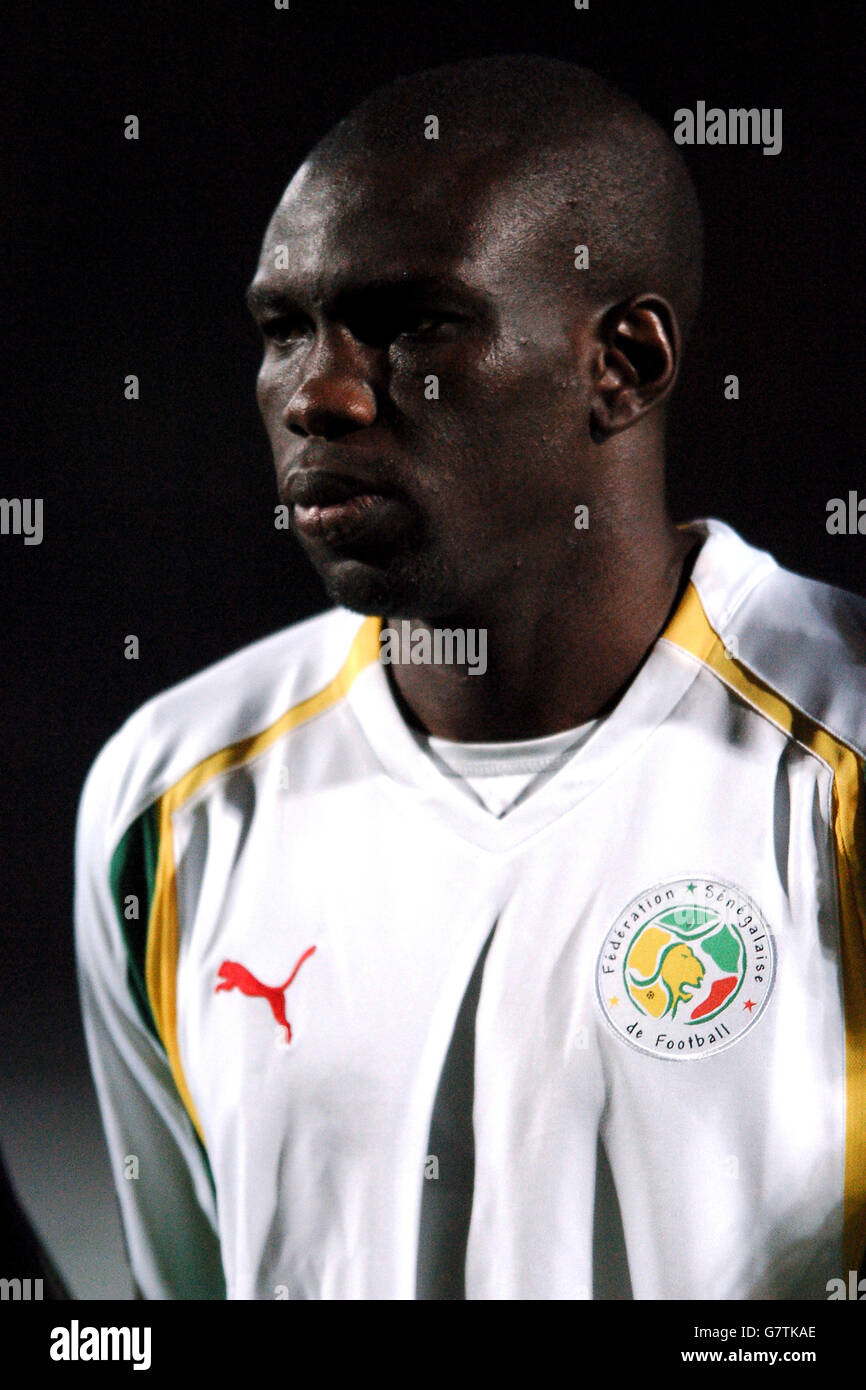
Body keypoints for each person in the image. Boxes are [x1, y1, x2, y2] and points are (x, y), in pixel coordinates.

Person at [75, 53, 866, 1300]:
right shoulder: (164, 795)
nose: (318, 394)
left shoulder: (841, 748)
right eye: (283, 330)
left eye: (410, 324)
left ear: (625, 362)